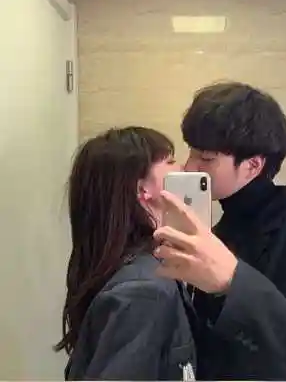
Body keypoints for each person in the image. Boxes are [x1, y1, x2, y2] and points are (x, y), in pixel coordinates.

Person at [153, 82, 286, 381]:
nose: (189, 166)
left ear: (253, 166)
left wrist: (233, 282)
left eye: (206, 158)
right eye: (191, 152)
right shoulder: (216, 236)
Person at [54, 126, 196, 381]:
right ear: (142, 189)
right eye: (170, 161)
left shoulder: (139, 271)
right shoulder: (143, 291)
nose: (183, 168)